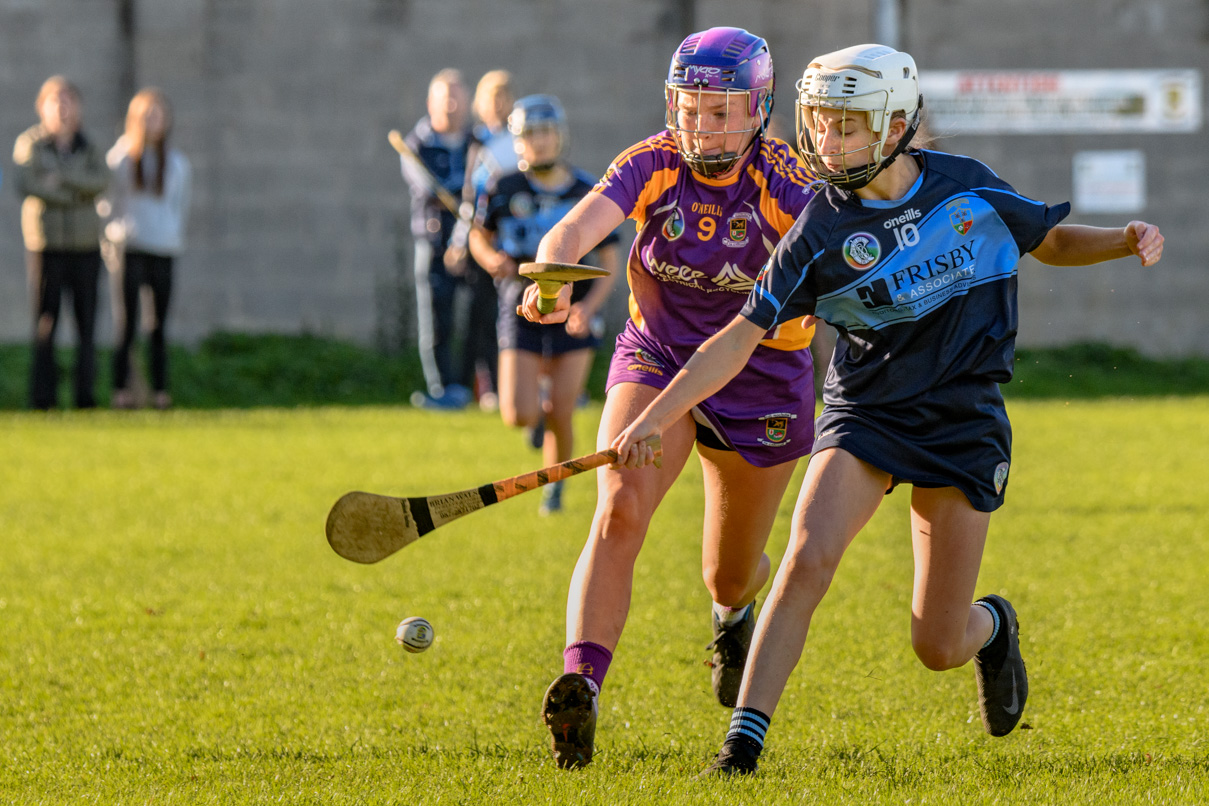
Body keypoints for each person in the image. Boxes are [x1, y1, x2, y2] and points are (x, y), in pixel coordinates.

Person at [608, 44, 1166, 775]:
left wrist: (1121, 242)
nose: (828, 142)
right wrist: (653, 416)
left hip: (962, 420)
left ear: (896, 123)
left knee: (936, 644)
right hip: (864, 414)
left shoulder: (965, 190)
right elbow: (736, 337)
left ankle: (992, 629)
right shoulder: (817, 230)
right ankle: (741, 745)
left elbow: (1049, 240)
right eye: (818, 124)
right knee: (805, 558)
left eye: (847, 125)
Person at [517, 28, 820, 768]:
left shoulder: (787, 186)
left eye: (717, 111)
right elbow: (574, 227)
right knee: (618, 507)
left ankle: (731, 611)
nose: (698, 126)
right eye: (688, 108)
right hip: (654, 358)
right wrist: (550, 280)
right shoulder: (653, 160)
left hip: (762, 378)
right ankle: (581, 683)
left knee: (729, 569)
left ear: (757, 110)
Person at [469, 94, 620, 515]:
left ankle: (554, 488)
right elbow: (478, 235)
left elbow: (609, 260)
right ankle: (534, 423)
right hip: (521, 307)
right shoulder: (503, 187)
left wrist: (588, 308)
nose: (539, 142)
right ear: (517, 141)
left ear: (561, 137)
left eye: (546, 133)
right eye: (530, 134)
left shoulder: (586, 189)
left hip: (573, 312)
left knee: (563, 409)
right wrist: (490, 258)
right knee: (518, 413)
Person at [13, 76, 111, 410]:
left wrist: (63, 180)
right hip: (46, 246)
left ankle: (85, 397)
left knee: (86, 325)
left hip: (85, 247)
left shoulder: (90, 146)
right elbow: (28, 182)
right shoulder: (31, 144)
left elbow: (100, 182)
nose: (63, 108)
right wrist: (76, 195)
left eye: (69, 100)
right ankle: (44, 399)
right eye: (56, 101)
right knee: (46, 323)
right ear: (42, 107)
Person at [105, 88, 192, 410]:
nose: (153, 120)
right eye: (147, 114)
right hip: (130, 247)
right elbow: (107, 204)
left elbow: (181, 204)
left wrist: (172, 235)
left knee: (158, 326)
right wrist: (114, 236)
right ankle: (121, 391)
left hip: (164, 248)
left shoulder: (178, 163)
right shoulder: (121, 158)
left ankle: (160, 392)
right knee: (126, 324)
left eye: (158, 114)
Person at [400, 68, 475, 409]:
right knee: (436, 317)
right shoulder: (416, 145)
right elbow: (430, 189)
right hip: (433, 242)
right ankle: (442, 389)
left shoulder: (477, 143)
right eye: (444, 97)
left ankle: (472, 386)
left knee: (479, 316)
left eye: (457, 96)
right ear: (431, 103)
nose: (451, 104)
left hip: (474, 241)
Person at [446, 69, 521, 411]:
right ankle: (472, 387)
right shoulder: (476, 143)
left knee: (510, 316)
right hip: (483, 238)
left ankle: (510, 387)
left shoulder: (520, 140)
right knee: (479, 316)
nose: (498, 104)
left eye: (504, 96)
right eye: (492, 96)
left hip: (513, 241)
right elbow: (469, 198)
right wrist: (460, 242)